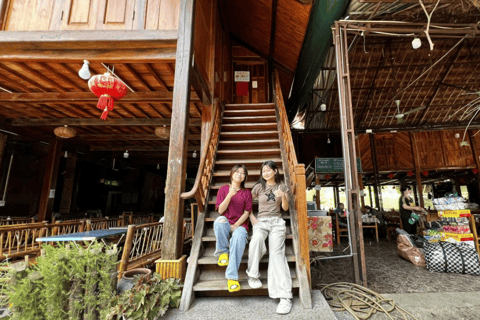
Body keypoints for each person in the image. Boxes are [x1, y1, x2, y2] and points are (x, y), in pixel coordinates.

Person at [247, 160, 293, 315]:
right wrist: (252, 217)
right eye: (263, 171)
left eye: (268, 170)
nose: (265, 173)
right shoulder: (259, 187)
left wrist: (284, 197)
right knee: (256, 240)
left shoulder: (282, 187)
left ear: (275, 171)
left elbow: (285, 208)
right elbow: (247, 203)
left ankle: (285, 297)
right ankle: (253, 276)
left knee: (277, 254)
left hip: (277, 223)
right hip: (261, 222)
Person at [214, 165, 252, 292]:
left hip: (240, 225)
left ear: (245, 177)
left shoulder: (247, 193)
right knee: (219, 221)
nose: (239, 174)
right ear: (231, 174)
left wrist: (236, 226)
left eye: (242, 173)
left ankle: (232, 278)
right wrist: (230, 195)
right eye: (237, 171)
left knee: (239, 237)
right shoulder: (224, 189)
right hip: (225, 224)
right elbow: (220, 210)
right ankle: (223, 252)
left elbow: (247, 212)